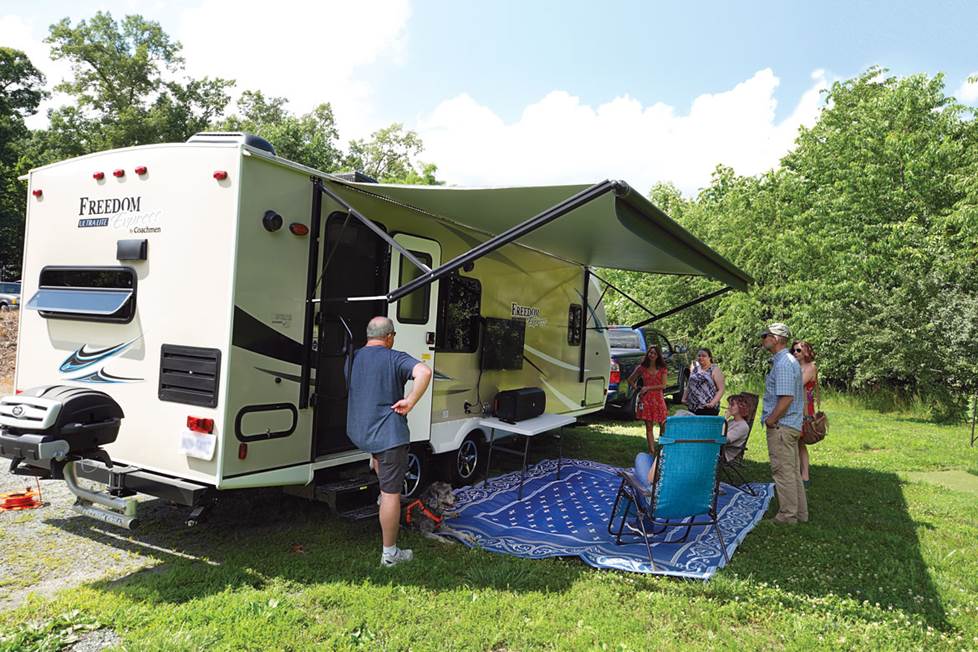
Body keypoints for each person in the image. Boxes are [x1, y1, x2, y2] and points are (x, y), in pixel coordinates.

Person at [346, 316, 433, 567]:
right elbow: (424, 372)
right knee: (391, 493)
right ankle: (390, 554)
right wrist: (411, 400)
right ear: (389, 337)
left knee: (380, 466)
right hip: (388, 436)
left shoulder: (354, 358)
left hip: (360, 432)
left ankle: (384, 501)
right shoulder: (395, 357)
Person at [759, 322, 807, 524]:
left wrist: (771, 420)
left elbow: (786, 398)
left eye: (766, 335)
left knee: (783, 472)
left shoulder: (784, 363)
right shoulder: (785, 361)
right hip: (788, 425)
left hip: (782, 426)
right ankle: (800, 514)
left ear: (777, 339)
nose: (763, 339)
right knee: (792, 472)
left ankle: (787, 516)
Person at [625, 345, 669, 454]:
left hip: (658, 399)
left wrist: (648, 387)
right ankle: (651, 451)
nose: (652, 355)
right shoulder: (642, 368)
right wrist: (638, 389)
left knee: (663, 424)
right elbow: (630, 380)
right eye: (650, 352)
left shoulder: (662, 368)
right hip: (646, 399)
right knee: (649, 426)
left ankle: (662, 448)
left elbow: (663, 385)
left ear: (658, 355)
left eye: (654, 353)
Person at [792, 340, 818, 489]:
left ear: (807, 352)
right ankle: (798, 474)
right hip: (794, 407)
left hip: (804, 410)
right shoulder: (795, 366)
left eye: (799, 350)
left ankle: (805, 475)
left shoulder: (810, 367)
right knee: (795, 442)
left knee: (800, 442)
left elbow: (797, 384)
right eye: (794, 351)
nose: (795, 353)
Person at [682, 347, 725, 415]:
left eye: (704, 356)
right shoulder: (695, 369)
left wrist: (712, 403)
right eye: (699, 356)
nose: (701, 357)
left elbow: (721, 389)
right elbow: (689, 385)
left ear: (709, 357)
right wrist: (684, 398)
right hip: (693, 407)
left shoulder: (715, 369)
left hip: (708, 408)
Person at [722, 394, 751, 463]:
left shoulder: (743, 426)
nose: (728, 407)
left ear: (741, 407)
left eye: (732, 405)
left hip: (724, 455)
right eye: (729, 404)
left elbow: (723, 439)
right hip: (717, 449)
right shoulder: (731, 421)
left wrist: (724, 419)